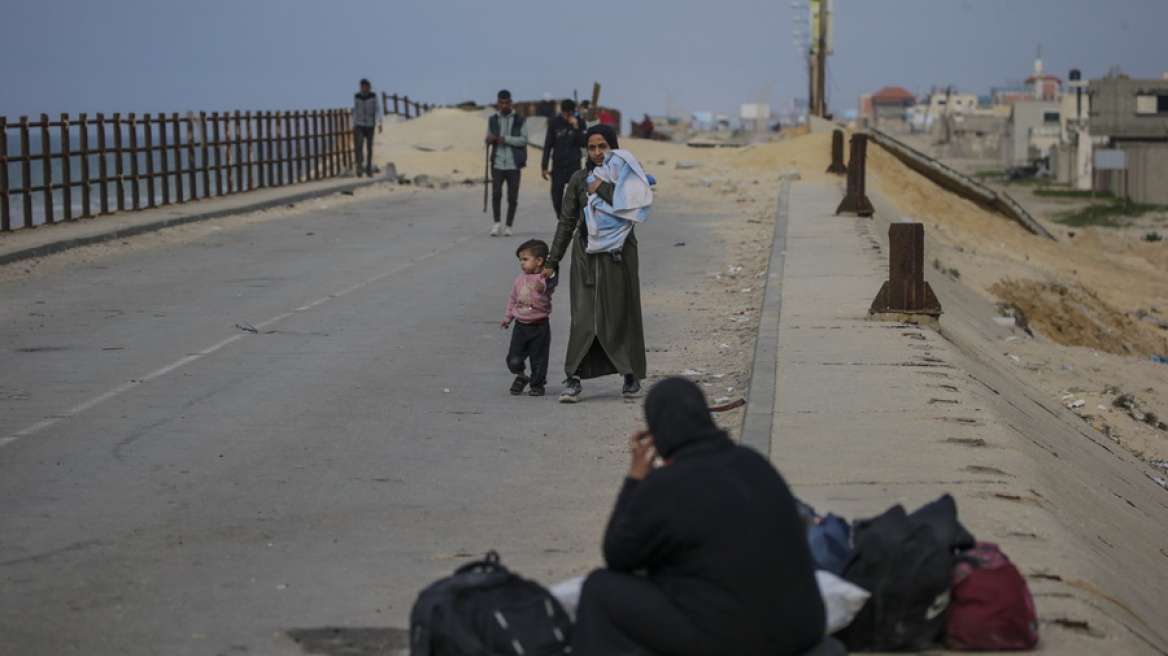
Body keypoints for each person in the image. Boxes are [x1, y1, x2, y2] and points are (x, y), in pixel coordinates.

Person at [569, 377, 827, 656]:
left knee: (599, 588)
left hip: (737, 638)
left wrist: (635, 480)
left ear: (658, 432)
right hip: (805, 628)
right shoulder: (753, 462)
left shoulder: (665, 485)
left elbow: (618, 554)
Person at [542, 124, 646, 402]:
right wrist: (552, 261)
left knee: (620, 313)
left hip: (620, 256)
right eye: (592, 147)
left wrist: (602, 187)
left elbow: (636, 206)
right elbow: (566, 222)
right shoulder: (578, 180)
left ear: (614, 146)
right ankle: (573, 378)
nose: (598, 153)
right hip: (585, 256)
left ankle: (630, 376)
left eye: (603, 146)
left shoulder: (629, 175)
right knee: (584, 316)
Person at [501, 239, 556, 396]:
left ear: (539, 261)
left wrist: (544, 284)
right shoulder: (519, 280)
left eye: (525, 259)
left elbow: (550, 286)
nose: (522, 263)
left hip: (540, 327)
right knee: (513, 359)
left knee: (539, 360)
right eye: (520, 260)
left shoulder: (545, 279)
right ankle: (521, 377)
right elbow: (513, 299)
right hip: (521, 327)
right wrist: (507, 318)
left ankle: (537, 384)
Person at [485, 89, 529, 237]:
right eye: (502, 102)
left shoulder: (519, 119)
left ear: (511, 102)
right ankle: (497, 224)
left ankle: (509, 225)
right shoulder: (493, 119)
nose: (504, 105)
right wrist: (489, 139)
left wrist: (507, 139)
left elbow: (524, 139)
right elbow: (486, 137)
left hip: (514, 163)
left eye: (507, 102)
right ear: (498, 103)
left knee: (512, 196)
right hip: (497, 162)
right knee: (496, 194)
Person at [541, 99, 586, 221]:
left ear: (573, 112)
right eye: (564, 114)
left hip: (574, 164)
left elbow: (584, 143)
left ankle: (575, 217)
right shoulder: (555, 123)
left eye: (569, 114)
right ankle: (562, 219)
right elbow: (548, 145)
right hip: (558, 165)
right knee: (556, 196)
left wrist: (576, 127)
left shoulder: (580, 122)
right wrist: (544, 166)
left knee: (575, 195)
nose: (567, 116)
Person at [351, 79, 383, 177]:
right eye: (362, 86)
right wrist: (353, 124)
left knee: (369, 147)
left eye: (365, 86)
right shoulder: (357, 96)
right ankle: (359, 169)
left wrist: (380, 122)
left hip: (370, 125)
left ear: (369, 86)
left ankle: (369, 169)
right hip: (359, 124)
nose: (364, 88)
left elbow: (378, 109)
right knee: (359, 147)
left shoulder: (373, 96)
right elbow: (355, 110)